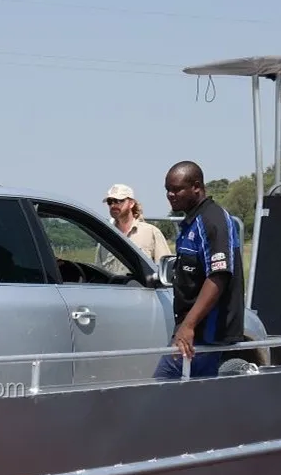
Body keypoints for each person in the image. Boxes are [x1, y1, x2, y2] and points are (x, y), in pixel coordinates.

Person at [153, 161, 245, 380]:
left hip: (205, 333)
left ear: (196, 186)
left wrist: (188, 325)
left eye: (176, 189)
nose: (170, 195)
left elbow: (219, 275)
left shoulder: (212, 220)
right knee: (193, 400)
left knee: (161, 387)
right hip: (192, 332)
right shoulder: (190, 223)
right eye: (167, 189)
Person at [104, 183, 171, 261]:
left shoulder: (150, 232)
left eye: (118, 201)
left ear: (131, 203)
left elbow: (165, 267)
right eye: (109, 201)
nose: (113, 205)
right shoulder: (106, 237)